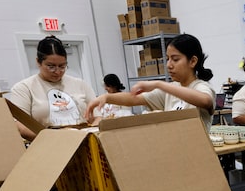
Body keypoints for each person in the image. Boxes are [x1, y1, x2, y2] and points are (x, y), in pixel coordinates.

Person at [85, 34, 215, 131]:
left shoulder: (201, 86)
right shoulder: (171, 89)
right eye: (167, 59)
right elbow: (134, 99)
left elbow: (205, 101)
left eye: (175, 59)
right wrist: (106, 97)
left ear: (192, 61)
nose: (169, 65)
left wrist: (158, 84)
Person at [8, 35, 100, 141]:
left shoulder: (81, 84)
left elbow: (98, 117)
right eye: (51, 66)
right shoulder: (24, 88)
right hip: (49, 146)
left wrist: (91, 135)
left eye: (62, 66)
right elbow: (20, 126)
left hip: (83, 144)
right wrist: (56, 140)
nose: (57, 72)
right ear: (38, 62)